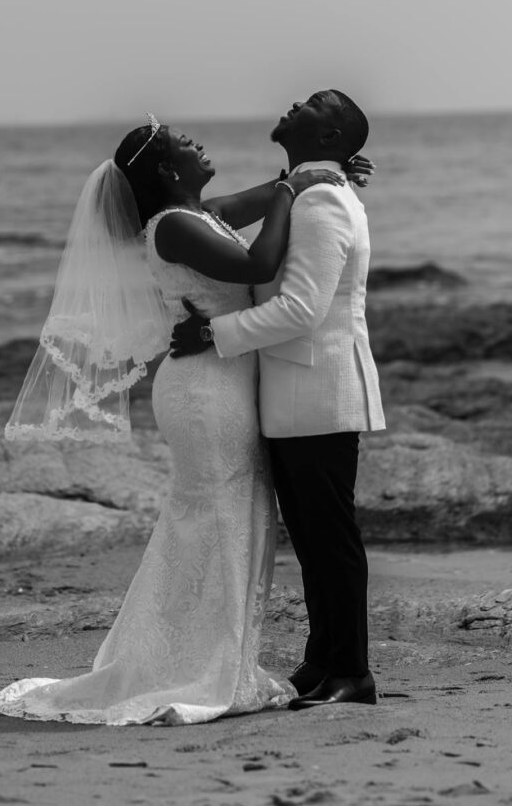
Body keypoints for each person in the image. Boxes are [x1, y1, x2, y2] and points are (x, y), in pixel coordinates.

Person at [0, 114, 368, 727]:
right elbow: (258, 264)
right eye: (183, 143)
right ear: (167, 170)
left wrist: (313, 178)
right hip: (204, 390)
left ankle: (219, 657)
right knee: (217, 520)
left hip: (224, 378)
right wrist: (297, 190)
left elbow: (267, 195)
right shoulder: (176, 228)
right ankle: (202, 665)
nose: (197, 143)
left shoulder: (201, 213)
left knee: (230, 520)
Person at [171, 90, 386, 710]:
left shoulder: (321, 201)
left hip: (315, 390)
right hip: (296, 391)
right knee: (314, 540)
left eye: (315, 104)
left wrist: (215, 334)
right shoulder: (311, 188)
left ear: (329, 138)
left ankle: (352, 673)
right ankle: (322, 662)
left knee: (330, 541)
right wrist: (293, 181)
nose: (296, 101)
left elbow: (301, 309)